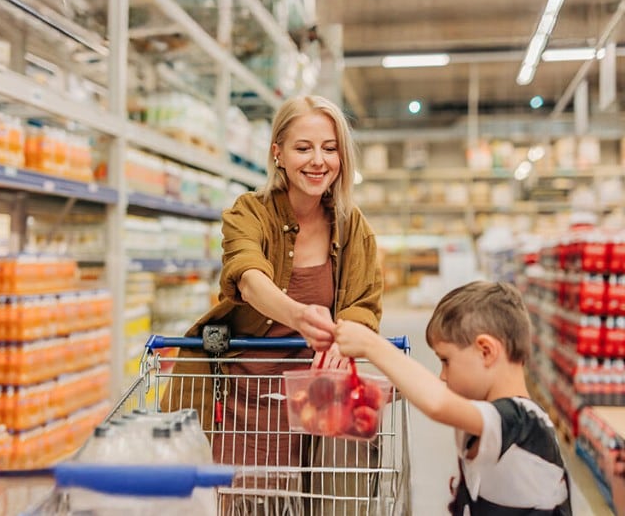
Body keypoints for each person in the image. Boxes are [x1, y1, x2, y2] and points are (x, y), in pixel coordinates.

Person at [161, 94, 383, 513]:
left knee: (316, 500)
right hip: (243, 398)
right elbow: (249, 277)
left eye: (330, 148)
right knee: (241, 504)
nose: (318, 161)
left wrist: (345, 338)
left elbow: (363, 303)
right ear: (277, 153)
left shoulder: (354, 228)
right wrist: (297, 314)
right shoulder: (248, 213)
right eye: (303, 148)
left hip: (315, 404)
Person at [332, 281, 572, 515]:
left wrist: (371, 345)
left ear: (486, 351)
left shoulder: (524, 423)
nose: (443, 375)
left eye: (446, 360)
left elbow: (437, 403)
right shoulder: (490, 426)